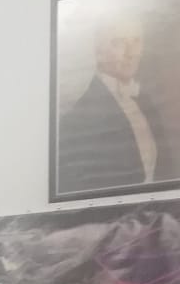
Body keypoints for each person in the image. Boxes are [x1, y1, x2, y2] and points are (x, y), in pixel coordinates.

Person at [56, 17, 170, 195]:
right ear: (98, 52)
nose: (131, 53)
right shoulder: (77, 121)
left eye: (136, 41)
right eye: (119, 43)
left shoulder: (145, 102)